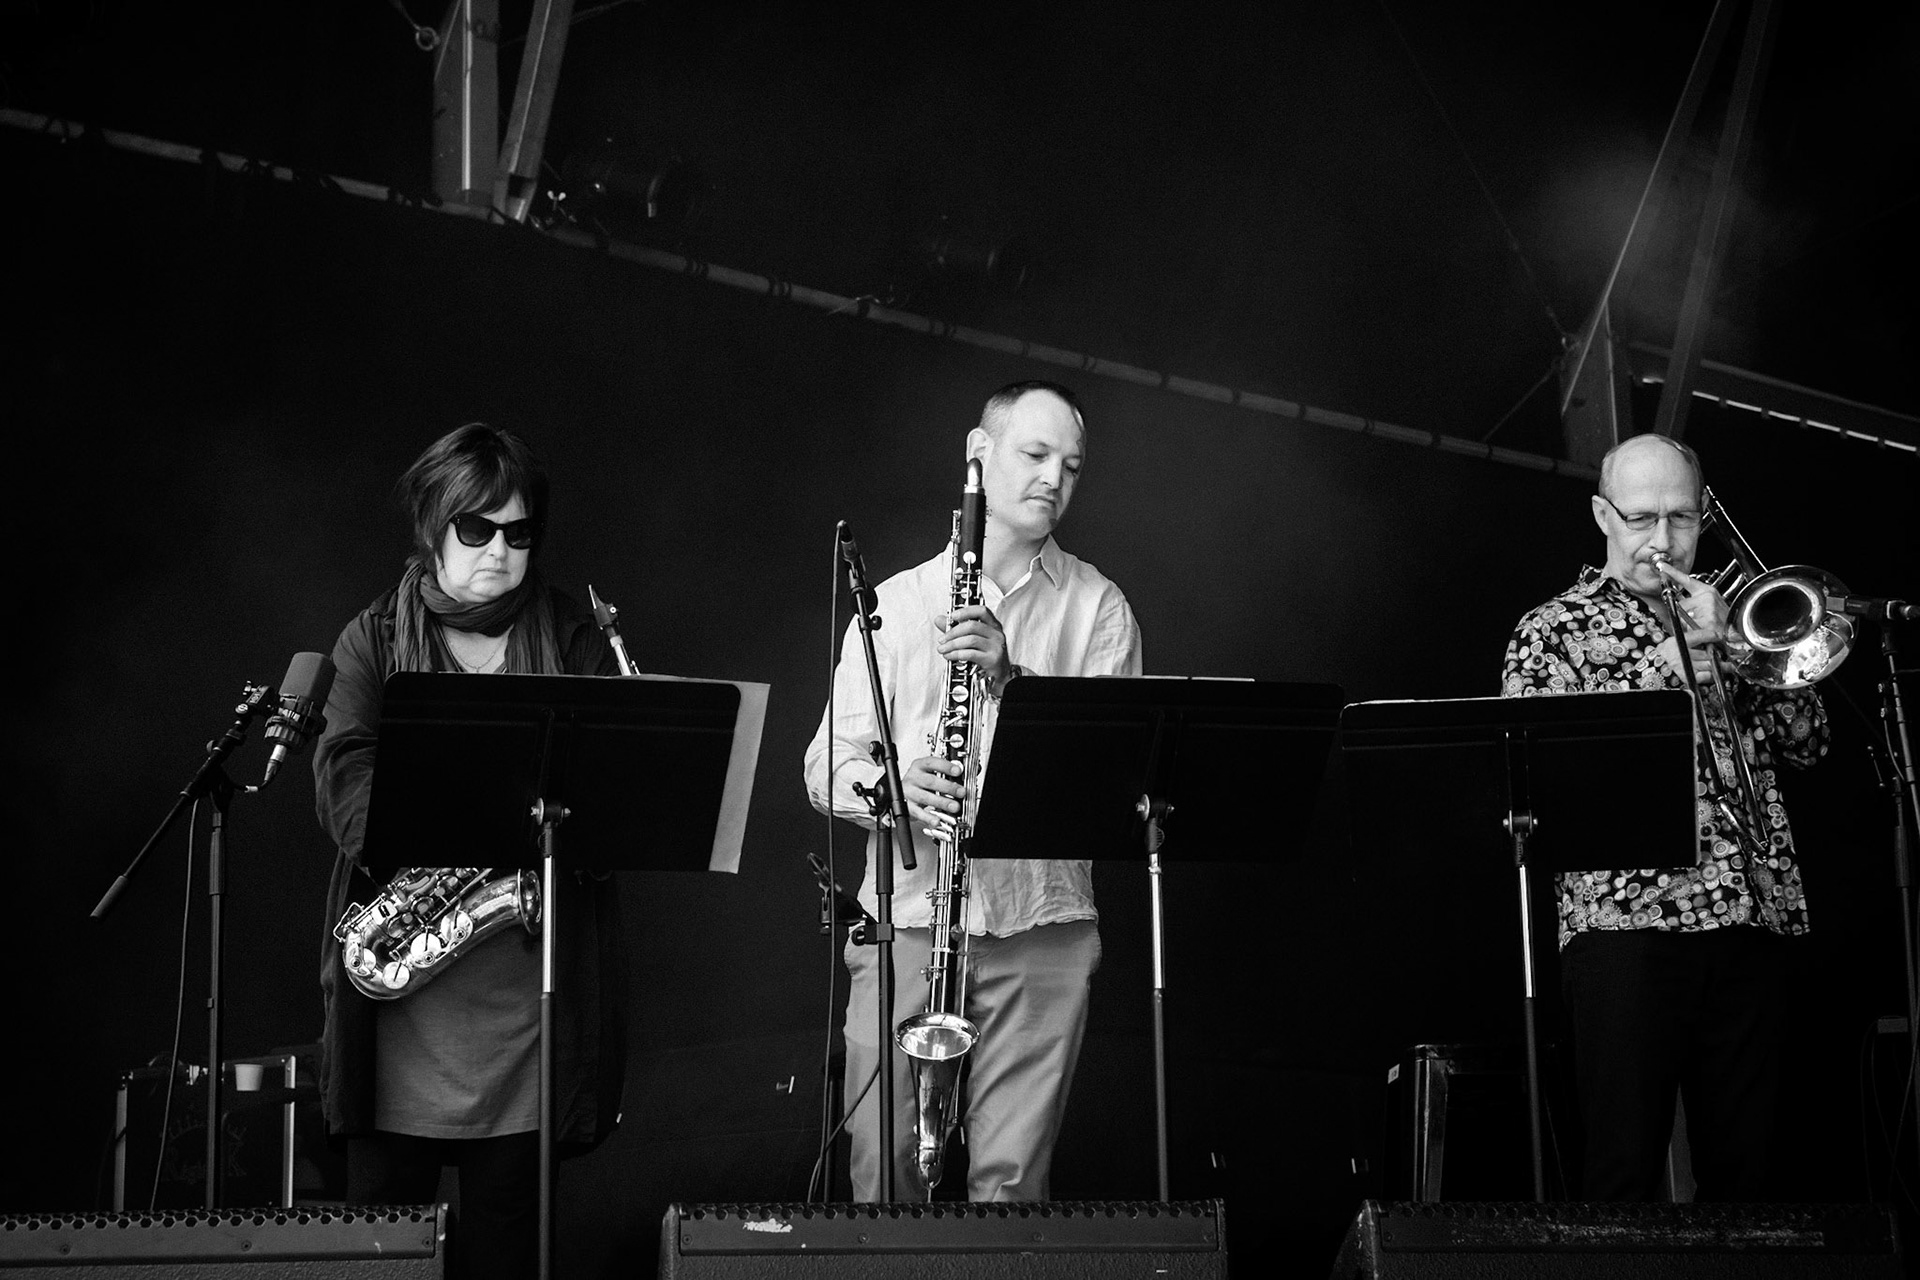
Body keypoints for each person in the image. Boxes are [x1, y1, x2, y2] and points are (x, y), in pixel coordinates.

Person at [804, 380, 1143, 1202]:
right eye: (1034, 455)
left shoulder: (1098, 608)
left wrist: (1010, 677)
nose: (1053, 479)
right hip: (911, 924)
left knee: (1012, 1186)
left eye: (1071, 465)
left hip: (1043, 929)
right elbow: (824, 765)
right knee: (881, 1175)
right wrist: (894, 791)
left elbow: (1113, 774)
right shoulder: (893, 604)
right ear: (978, 455)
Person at [313, 423, 625, 1278]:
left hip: (525, 1021)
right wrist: (481, 823)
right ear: (432, 526)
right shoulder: (372, 638)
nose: (499, 552)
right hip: (400, 1018)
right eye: (476, 530)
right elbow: (345, 783)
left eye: (518, 533)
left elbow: (616, 791)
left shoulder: (569, 637)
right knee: (383, 1258)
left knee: (509, 1255)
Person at [1500, 431, 1827, 1201]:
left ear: (1705, 514)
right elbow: (1549, 783)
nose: (1663, 540)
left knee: (1752, 1178)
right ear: (1601, 515)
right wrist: (1665, 672)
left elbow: (1810, 746)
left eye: (1681, 517)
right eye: (1642, 518)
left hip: (1752, 915)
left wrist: (1746, 655)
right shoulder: (1551, 631)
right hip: (1626, 930)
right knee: (1622, 1172)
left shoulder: (1734, 611)